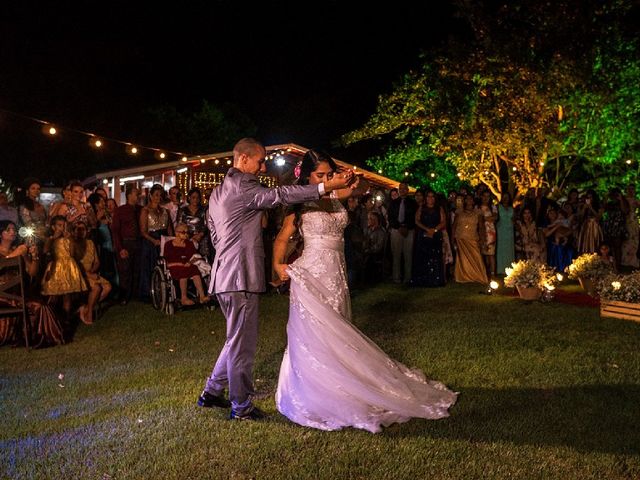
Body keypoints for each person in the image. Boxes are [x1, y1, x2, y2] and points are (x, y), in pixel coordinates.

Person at [272, 150, 456, 433]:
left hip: (337, 272)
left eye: (328, 175)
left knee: (340, 328)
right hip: (311, 274)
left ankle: (348, 377)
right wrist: (278, 264)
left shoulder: (335, 197)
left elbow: (363, 188)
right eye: (319, 175)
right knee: (317, 332)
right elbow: (283, 237)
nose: (325, 179)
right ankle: (319, 388)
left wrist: (351, 179)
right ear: (307, 176)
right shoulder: (300, 201)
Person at [197, 139, 355, 421]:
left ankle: (211, 391)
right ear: (243, 159)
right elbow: (279, 195)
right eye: (259, 161)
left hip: (224, 274)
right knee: (242, 345)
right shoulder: (244, 186)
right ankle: (241, 406)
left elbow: (215, 234)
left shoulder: (218, 191)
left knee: (235, 338)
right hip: (240, 275)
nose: (262, 167)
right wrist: (325, 186)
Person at [164, 223, 209, 305]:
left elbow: (195, 256)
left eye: (187, 232)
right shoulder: (168, 245)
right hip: (174, 266)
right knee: (184, 272)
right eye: (184, 232)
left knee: (195, 270)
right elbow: (167, 260)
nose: (187, 235)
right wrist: (180, 264)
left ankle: (202, 296)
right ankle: (184, 298)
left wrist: (189, 262)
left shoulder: (189, 244)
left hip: (187, 265)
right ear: (177, 233)